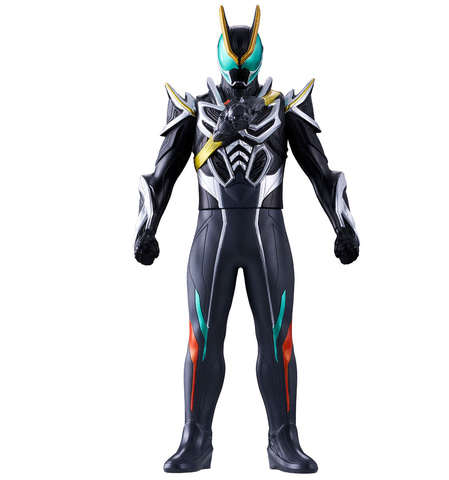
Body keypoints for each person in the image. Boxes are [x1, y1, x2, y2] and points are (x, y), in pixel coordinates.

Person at [134, 5, 359, 473]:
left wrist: (343, 226)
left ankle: (283, 439)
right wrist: (145, 228)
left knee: (278, 340)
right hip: (213, 231)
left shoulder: (283, 108)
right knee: (202, 340)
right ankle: (195, 438)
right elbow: (160, 176)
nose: (239, 72)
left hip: (266, 231)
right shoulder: (195, 109)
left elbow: (322, 172)